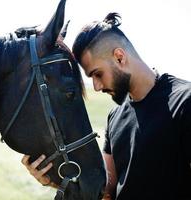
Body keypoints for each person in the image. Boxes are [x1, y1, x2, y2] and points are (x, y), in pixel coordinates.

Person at [21, 12, 191, 199]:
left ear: (119, 57)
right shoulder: (115, 116)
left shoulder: (185, 102)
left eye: (98, 74)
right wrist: (54, 181)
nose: (96, 86)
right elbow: (106, 192)